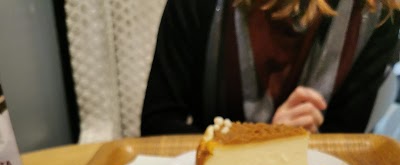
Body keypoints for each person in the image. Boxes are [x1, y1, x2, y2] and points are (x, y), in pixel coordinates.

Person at [141, 0, 400, 135]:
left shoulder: (376, 14)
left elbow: (346, 142)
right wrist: (266, 138)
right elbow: (158, 124)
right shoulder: (199, 6)